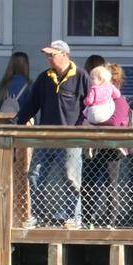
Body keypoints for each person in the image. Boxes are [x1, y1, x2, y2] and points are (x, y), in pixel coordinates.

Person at [15, 40, 90, 229]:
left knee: (71, 178)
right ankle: (37, 216)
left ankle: (74, 217)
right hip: (45, 137)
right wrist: (18, 122)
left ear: (64, 54)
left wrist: (82, 129)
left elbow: (89, 106)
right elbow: (32, 105)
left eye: (52, 55)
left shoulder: (81, 76)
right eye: (47, 55)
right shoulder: (44, 78)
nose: (48, 58)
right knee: (35, 176)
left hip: (71, 138)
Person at [85, 63, 132, 228]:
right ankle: (87, 220)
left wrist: (93, 122)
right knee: (89, 183)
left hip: (112, 149)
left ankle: (109, 222)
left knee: (110, 184)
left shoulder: (119, 101)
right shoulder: (97, 99)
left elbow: (114, 122)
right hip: (95, 146)